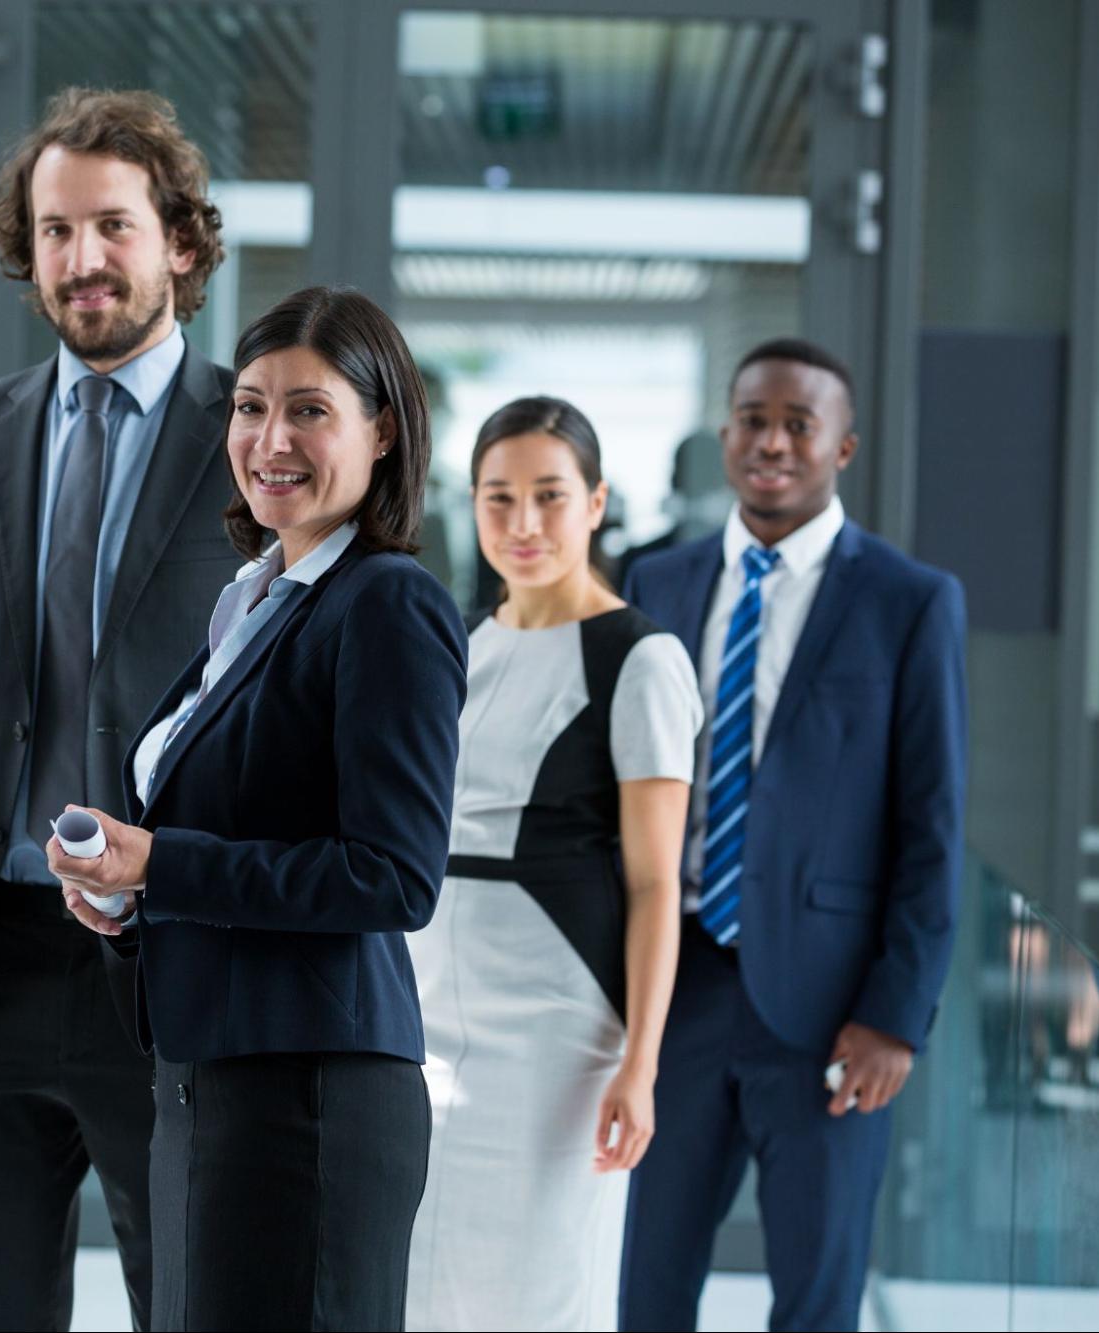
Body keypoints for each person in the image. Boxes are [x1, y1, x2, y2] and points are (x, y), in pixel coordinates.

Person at [0, 88, 234, 1331]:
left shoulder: (259, 437)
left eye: (114, 227)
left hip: (169, 964)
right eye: (57, 231)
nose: (83, 259)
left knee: (186, 1305)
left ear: (179, 242)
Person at [49, 286, 467, 1332]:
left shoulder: (387, 603)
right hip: (211, 1080)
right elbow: (233, 833)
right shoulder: (252, 598)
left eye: (310, 410)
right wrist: (129, 900)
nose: (269, 437)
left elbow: (392, 875)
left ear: (382, 430)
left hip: (310, 1101)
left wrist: (162, 864)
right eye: (248, 406)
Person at [618, 337, 967, 1331]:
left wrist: (895, 1015)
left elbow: (931, 824)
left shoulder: (908, 602)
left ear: (841, 448)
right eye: (752, 420)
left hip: (829, 1014)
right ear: (725, 434)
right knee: (641, 1282)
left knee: (816, 1296)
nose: (771, 442)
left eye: (797, 425)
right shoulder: (659, 582)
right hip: (669, 994)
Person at [405, 398, 698, 1332]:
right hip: (424, 1011)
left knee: (538, 1285)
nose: (522, 525)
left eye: (547, 496)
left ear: (596, 501)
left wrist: (641, 1062)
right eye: (498, 499)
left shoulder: (641, 659)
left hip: (556, 1029)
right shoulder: (455, 642)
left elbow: (656, 884)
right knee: (417, 1279)